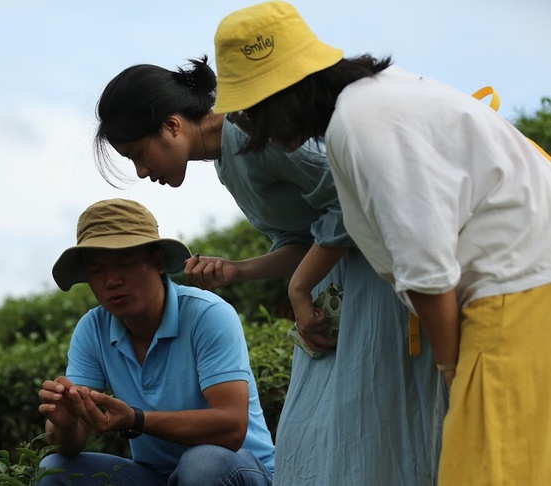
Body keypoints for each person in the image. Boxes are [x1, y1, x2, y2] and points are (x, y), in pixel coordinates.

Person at [210, 1, 551, 485]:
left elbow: (427, 268)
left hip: (519, 290)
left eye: (248, 112)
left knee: (490, 470)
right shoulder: (377, 100)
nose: (247, 128)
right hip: (522, 284)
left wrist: (451, 370)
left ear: (279, 97)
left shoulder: (361, 123)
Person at [94, 57, 444, 484]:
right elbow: (301, 241)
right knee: (330, 431)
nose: (142, 172)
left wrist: (299, 291)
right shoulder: (226, 159)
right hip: (339, 293)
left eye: (137, 154)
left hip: (378, 281)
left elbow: (349, 195)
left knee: (380, 420)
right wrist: (236, 271)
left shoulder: (247, 129)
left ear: (171, 126)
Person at [37, 198, 275, 486]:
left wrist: (136, 419)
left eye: (124, 264)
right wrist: (64, 424)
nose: (111, 281)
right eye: (97, 270)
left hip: (237, 470)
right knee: (55, 468)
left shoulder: (207, 315)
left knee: (201, 465)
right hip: (155, 477)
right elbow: (70, 444)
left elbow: (232, 428)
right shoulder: (93, 328)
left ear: (158, 262)